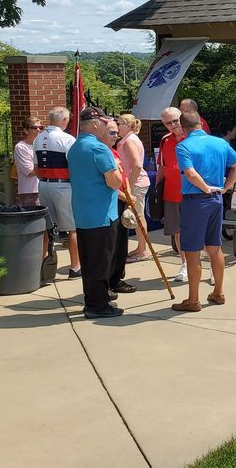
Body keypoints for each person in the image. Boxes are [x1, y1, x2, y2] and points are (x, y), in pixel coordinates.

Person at [172, 111, 236, 312]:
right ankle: (218, 292)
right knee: (215, 247)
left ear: (183, 128)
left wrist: (204, 188)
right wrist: (226, 187)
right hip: (217, 200)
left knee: (192, 251)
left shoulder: (183, 146)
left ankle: (193, 300)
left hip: (196, 201)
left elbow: (190, 173)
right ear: (201, 124)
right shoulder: (220, 143)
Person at [67, 107, 124, 319]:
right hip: (101, 214)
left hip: (83, 213)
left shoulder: (75, 148)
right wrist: (117, 167)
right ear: (95, 124)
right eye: (104, 122)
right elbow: (115, 181)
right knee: (101, 261)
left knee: (90, 261)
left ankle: (93, 299)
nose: (107, 127)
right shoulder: (100, 150)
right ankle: (98, 305)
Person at [35, 107, 80, 277]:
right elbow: (76, 166)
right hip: (63, 185)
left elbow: (36, 168)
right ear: (65, 120)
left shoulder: (38, 139)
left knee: (48, 226)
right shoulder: (67, 139)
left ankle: (44, 263)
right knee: (72, 228)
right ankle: (75, 266)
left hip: (44, 184)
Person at [102, 119, 136, 297]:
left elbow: (124, 177)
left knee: (122, 242)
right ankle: (108, 281)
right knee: (111, 245)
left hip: (123, 199)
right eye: (111, 133)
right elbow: (110, 184)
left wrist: (129, 196)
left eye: (116, 132)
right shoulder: (102, 153)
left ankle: (116, 278)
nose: (115, 136)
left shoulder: (114, 152)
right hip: (112, 201)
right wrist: (125, 196)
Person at [156, 107, 187, 278]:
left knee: (200, 230)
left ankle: (211, 265)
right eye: (169, 123)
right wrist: (157, 189)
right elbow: (162, 166)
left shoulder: (193, 137)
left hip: (192, 193)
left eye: (175, 120)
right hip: (171, 193)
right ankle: (185, 264)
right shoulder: (165, 141)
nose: (173, 125)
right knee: (177, 232)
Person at [116, 114, 151, 262]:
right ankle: (140, 248)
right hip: (135, 182)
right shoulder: (128, 140)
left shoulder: (129, 141)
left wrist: (128, 187)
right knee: (137, 215)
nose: (117, 126)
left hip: (136, 183)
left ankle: (143, 251)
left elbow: (136, 165)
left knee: (137, 216)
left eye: (120, 123)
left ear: (129, 126)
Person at [14, 116, 42, 207]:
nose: (38, 130)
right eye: (34, 128)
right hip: (30, 192)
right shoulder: (21, 147)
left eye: (40, 128)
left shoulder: (41, 146)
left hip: (45, 189)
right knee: (32, 221)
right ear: (25, 131)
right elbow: (30, 171)